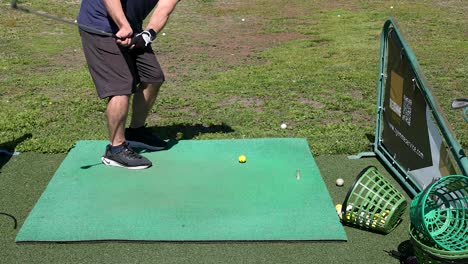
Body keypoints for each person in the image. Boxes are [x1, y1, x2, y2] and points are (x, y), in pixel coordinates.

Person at [77, 0, 180, 169]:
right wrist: (123, 25)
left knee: (152, 77)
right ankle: (115, 150)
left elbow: (164, 8)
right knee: (121, 86)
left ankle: (136, 132)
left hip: (131, 27)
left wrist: (148, 35)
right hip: (100, 24)